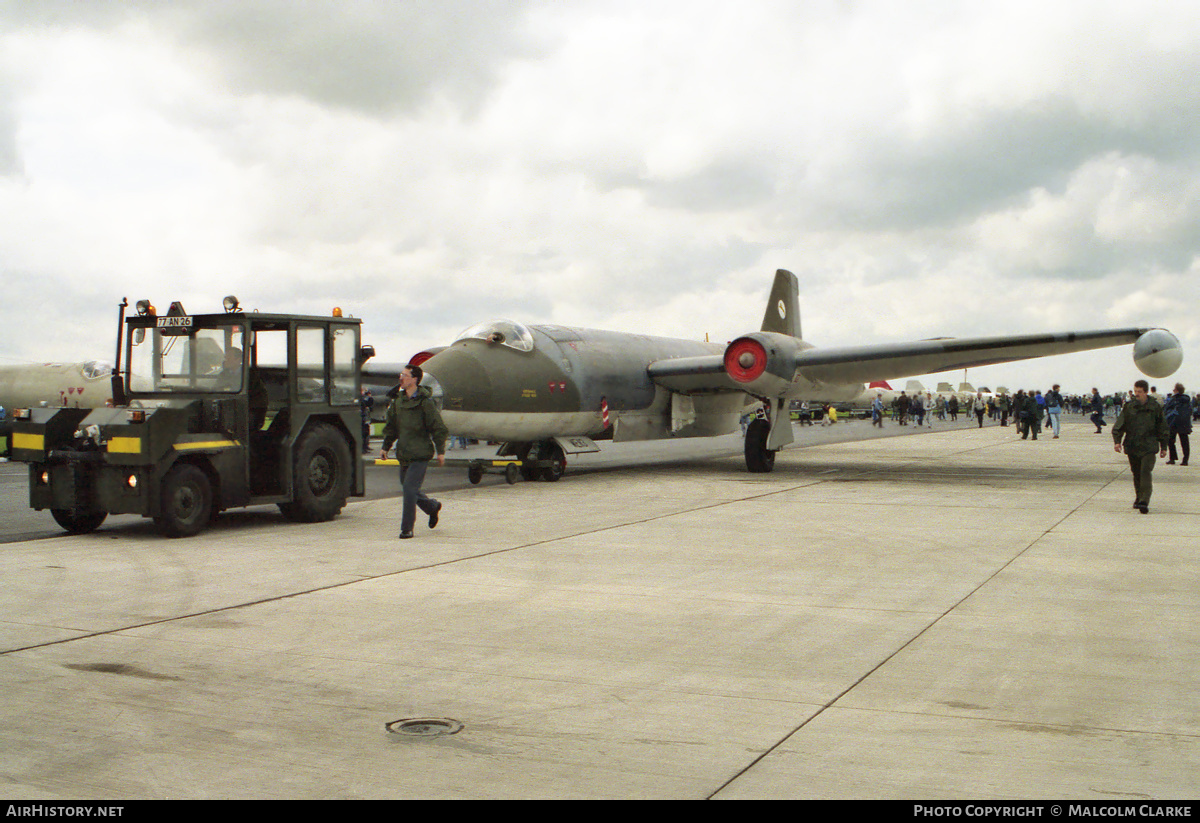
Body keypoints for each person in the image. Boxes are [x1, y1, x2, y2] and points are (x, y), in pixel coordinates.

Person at [380, 364, 449, 539]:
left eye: (404, 375)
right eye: (400, 375)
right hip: (404, 453)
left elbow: (438, 427)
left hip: (420, 453)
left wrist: (440, 450)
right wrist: (385, 446)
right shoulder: (398, 402)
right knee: (409, 489)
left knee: (410, 489)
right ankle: (432, 507)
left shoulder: (425, 403)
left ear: (415, 379)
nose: (401, 378)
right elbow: (392, 427)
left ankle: (406, 529)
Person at [1112, 379, 1169, 514]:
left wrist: (1164, 446)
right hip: (1132, 445)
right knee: (1136, 473)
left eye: (1139, 391)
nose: (1136, 394)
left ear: (1145, 392)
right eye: (1135, 391)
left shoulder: (1155, 407)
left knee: (1145, 472)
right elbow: (1120, 425)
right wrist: (1117, 441)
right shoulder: (1129, 406)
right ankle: (1138, 497)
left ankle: (1144, 500)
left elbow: (1163, 427)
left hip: (1149, 446)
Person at [1163, 382, 1192, 466]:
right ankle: (1185, 460)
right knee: (1184, 442)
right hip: (1184, 423)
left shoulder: (1174, 399)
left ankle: (1172, 458)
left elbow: (1167, 409)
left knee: (1171, 441)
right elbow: (1190, 411)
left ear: (1176, 390)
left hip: (1174, 422)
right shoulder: (1187, 400)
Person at [359, 388, 375, 454]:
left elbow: (370, 404)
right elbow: (364, 404)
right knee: (362, 434)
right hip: (361, 418)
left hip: (365, 418)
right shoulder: (359, 398)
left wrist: (369, 396)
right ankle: (362, 448)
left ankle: (365, 446)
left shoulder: (364, 398)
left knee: (366, 433)